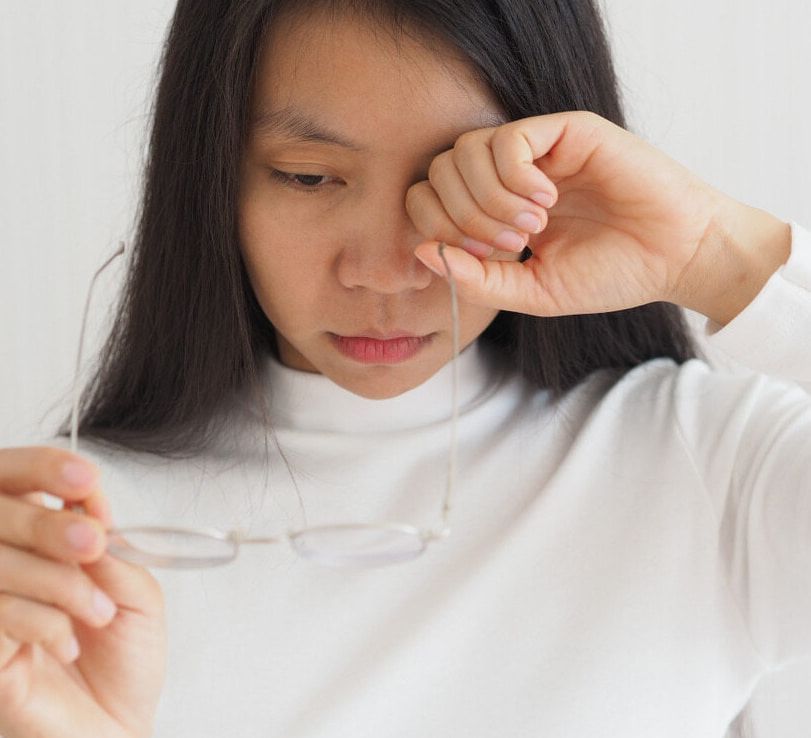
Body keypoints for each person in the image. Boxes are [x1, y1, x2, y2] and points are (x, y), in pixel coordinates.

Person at [1, 1, 809, 736]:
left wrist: (718, 257)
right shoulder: (66, 550)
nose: (385, 272)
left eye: (454, 182)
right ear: (213, 180)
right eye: (308, 176)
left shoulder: (708, 466)